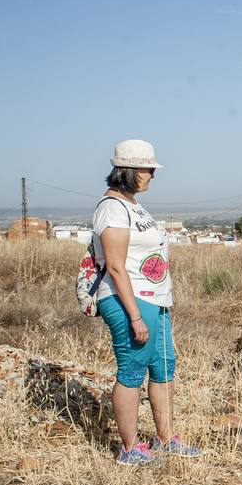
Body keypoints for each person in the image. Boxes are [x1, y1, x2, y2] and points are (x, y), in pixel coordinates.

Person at [92, 139, 201, 465]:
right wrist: (135, 317)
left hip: (155, 299)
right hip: (131, 301)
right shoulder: (112, 208)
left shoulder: (133, 204)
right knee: (132, 370)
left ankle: (166, 439)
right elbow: (114, 265)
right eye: (148, 169)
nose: (152, 174)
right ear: (129, 171)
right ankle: (129, 448)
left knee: (163, 366)